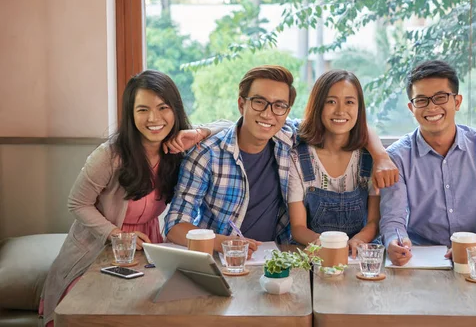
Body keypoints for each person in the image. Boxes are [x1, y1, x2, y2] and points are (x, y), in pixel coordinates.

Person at [40, 70, 218, 326]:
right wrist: (116, 234)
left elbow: (229, 125)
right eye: (142, 110)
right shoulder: (110, 155)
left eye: (163, 107)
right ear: (131, 114)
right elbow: (77, 203)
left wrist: (198, 133)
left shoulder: (178, 149)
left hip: (148, 243)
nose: (154, 118)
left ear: (175, 110)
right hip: (98, 246)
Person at [165, 65, 398, 254]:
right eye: (259, 102)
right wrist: (224, 243)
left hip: (277, 255)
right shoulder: (206, 155)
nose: (268, 113)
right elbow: (174, 226)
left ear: (286, 112)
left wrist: (380, 155)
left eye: (279, 106)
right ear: (241, 104)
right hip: (220, 258)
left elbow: (346, 123)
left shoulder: (289, 137)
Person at [380, 60, 476, 266]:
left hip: (475, 257)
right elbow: (393, 218)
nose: (432, 107)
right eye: (421, 100)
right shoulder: (397, 157)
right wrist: (395, 240)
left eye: (441, 97)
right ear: (411, 107)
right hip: (420, 257)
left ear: (457, 102)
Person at [288, 70, 379, 257]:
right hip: (316, 254)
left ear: (359, 108)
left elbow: (373, 222)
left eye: (349, 102)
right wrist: (322, 242)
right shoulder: (298, 158)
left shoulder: (370, 158)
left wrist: (359, 240)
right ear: (318, 105)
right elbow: (297, 227)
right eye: (331, 101)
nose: (340, 111)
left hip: (358, 255)